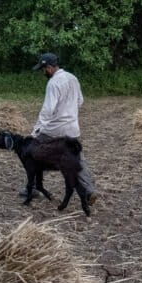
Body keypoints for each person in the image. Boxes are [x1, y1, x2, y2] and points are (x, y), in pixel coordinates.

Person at [23, 52, 97, 204]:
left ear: (49, 68)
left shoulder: (53, 83)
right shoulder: (72, 78)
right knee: (78, 160)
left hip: (54, 130)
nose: (43, 72)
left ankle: (33, 188)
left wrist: (35, 131)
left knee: (31, 153)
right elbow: (80, 101)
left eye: (43, 69)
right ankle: (89, 191)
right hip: (72, 128)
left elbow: (48, 110)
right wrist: (70, 113)